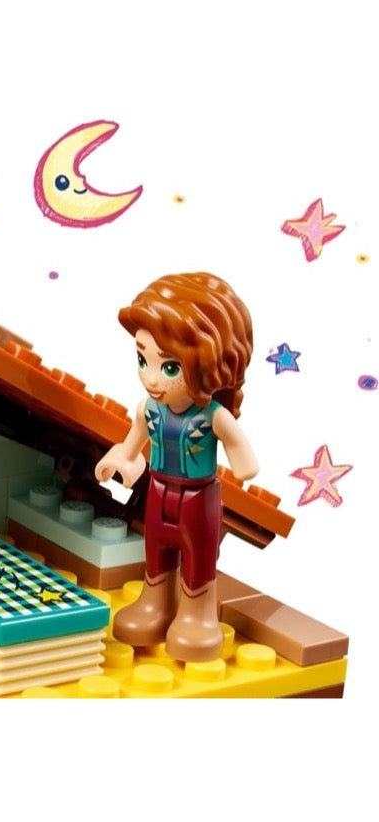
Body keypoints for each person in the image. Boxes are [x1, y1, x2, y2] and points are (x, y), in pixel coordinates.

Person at [95, 273, 257, 662]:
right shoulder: (148, 409)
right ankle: (156, 602)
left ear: (211, 365)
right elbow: (131, 446)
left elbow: (241, 451)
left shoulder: (214, 416)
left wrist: (244, 465)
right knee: (155, 548)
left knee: (198, 557)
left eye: (169, 368)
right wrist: (120, 459)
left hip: (199, 499)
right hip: (157, 490)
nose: (151, 378)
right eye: (142, 360)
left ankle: (198, 615)